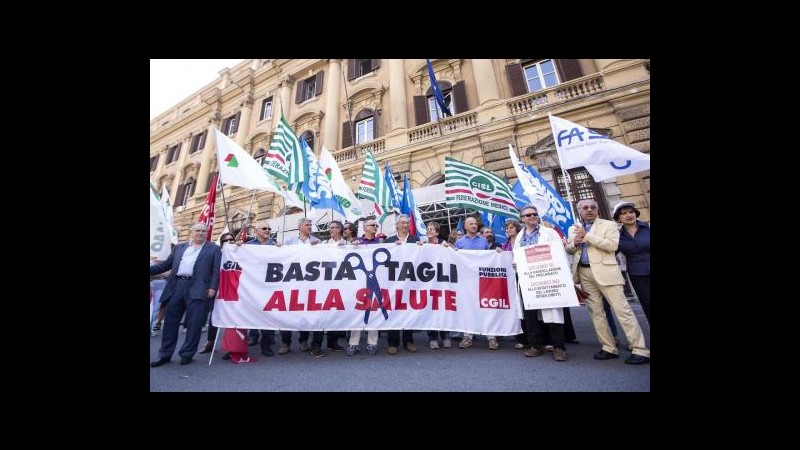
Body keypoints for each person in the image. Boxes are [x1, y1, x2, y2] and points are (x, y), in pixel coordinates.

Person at [566, 199, 650, 365]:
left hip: (607, 273)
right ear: (579, 210)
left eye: (592, 207)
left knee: (623, 311)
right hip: (584, 273)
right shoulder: (573, 228)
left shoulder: (609, 225)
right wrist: (574, 243)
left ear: (597, 210)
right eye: (585, 208)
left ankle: (640, 349)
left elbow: (612, 246)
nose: (589, 210)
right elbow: (569, 249)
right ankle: (608, 347)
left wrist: (587, 236)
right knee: (596, 313)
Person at [149, 223, 222, 367]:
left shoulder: (214, 249)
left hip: (199, 288)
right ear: (191, 232)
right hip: (176, 287)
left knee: (194, 324)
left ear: (207, 233)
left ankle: (187, 354)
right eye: (197, 230)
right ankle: (165, 354)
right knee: (170, 323)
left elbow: (216, 270)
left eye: (203, 231)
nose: (200, 233)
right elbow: (165, 265)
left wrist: (213, 287)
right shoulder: (180, 247)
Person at [514, 205, 568, 362]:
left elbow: (559, 254)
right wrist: (515, 263)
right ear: (522, 219)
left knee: (552, 311)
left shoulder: (549, 233)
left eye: (534, 214)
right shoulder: (519, 236)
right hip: (527, 279)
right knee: (530, 314)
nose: (532, 217)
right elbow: (516, 255)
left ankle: (558, 347)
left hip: (546, 276)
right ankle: (535, 346)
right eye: (528, 215)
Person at [455, 216, 500, 350]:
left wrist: (497, 253)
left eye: (475, 224)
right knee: (468, 307)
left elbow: (489, 258)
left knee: (486, 307)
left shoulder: (484, 242)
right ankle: (467, 336)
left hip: (483, 280)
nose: (474, 226)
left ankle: (491, 337)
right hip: (467, 281)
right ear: (465, 227)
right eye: (471, 224)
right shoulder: (459, 242)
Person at [283, 217, 324, 357]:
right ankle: (285, 343)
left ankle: (304, 340)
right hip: (293, 281)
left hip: (311, 282)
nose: (310, 227)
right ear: (300, 227)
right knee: (288, 311)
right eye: (307, 225)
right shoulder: (289, 242)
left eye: (311, 225)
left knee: (308, 310)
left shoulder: (317, 241)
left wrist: (318, 248)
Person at [241, 222, 279, 357]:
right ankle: (253, 335)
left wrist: (282, 249)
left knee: (268, 314)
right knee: (252, 310)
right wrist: (236, 247)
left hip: (270, 284)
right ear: (256, 231)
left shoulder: (275, 245)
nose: (268, 230)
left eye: (269, 228)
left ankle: (266, 344)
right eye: (264, 228)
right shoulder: (249, 245)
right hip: (252, 283)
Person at [384, 214, 419, 355]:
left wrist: (421, 248)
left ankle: (408, 341)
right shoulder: (389, 240)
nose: (405, 225)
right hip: (393, 282)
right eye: (402, 223)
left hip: (410, 281)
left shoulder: (415, 240)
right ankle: (392, 343)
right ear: (397, 225)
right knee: (394, 310)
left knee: (408, 310)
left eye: (407, 223)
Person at [346, 218, 382, 356]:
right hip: (358, 284)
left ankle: (372, 343)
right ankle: (353, 344)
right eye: (373, 225)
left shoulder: (380, 243)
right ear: (365, 228)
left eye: (376, 225)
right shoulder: (357, 243)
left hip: (377, 280)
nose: (375, 227)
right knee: (358, 312)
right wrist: (350, 246)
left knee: (374, 311)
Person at [198, 231, 236, 355]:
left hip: (233, 289)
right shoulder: (216, 253)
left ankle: (231, 345)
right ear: (222, 242)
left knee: (232, 317)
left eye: (232, 240)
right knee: (214, 315)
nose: (229, 242)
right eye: (226, 240)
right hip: (217, 288)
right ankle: (210, 342)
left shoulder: (238, 252)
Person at [613, 201, 650, 326]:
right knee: (648, 305)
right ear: (619, 218)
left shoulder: (647, 228)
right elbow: (611, 254)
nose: (629, 215)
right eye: (624, 213)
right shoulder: (618, 237)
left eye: (631, 212)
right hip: (638, 275)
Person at [422, 221, 451, 349]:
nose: (429, 231)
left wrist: (448, 247)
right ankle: (432, 337)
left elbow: (454, 254)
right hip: (427, 282)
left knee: (442, 308)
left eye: (431, 229)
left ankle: (445, 336)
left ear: (437, 232)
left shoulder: (443, 244)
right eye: (427, 229)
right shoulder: (422, 245)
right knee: (430, 309)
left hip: (441, 282)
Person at [320, 220, 347, 351]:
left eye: (334, 227)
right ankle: (318, 342)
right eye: (330, 228)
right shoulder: (324, 244)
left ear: (340, 229)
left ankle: (333, 341)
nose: (331, 230)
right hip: (327, 280)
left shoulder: (348, 244)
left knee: (337, 312)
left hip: (342, 280)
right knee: (326, 310)